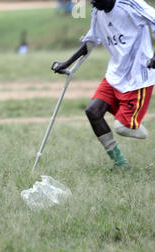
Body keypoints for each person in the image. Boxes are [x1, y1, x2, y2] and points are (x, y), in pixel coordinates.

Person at [52, 0, 155, 168]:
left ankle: (132, 124)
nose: (92, 4)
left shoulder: (130, 4)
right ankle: (120, 164)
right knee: (92, 111)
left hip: (137, 78)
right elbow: (90, 41)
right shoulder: (97, 11)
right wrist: (66, 63)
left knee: (122, 128)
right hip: (114, 75)